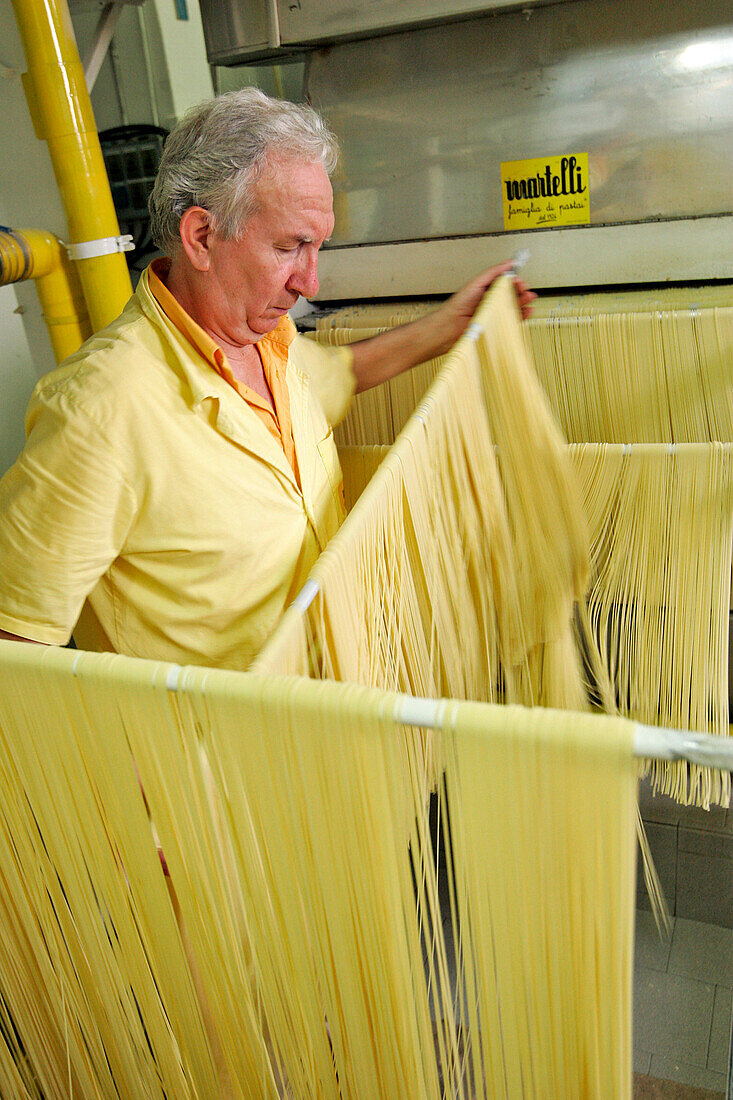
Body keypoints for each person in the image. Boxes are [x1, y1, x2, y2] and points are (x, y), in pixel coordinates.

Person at [0, 88, 535, 669]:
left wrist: (451, 324)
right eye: (290, 247)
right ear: (201, 237)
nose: (311, 282)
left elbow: (347, 371)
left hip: (340, 705)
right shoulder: (100, 411)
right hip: (221, 751)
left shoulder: (272, 345)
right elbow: (18, 644)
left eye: (318, 247)